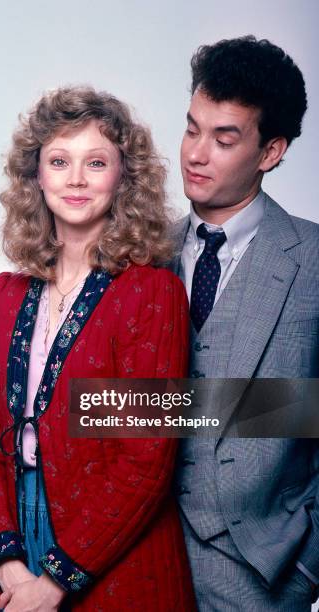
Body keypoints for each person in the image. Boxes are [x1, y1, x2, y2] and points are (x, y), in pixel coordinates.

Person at [0, 86, 196, 612]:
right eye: (59, 161)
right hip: (17, 540)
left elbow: (146, 459)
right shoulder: (5, 294)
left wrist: (53, 582)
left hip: (116, 553)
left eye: (96, 162)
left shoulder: (149, 291)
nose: (75, 178)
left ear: (123, 178)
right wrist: (8, 564)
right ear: (36, 176)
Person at [171, 36, 319, 610]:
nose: (195, 153)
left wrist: (308, 564)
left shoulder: (310, 259)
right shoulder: (137, 253)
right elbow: (100, 407)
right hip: (139, 559)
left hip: (265, 574)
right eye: (191, 128)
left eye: (223, 138)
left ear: (270, 151)